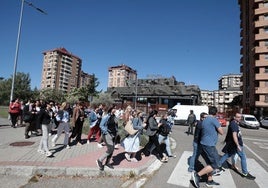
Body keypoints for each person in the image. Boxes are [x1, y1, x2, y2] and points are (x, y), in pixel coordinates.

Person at [192, 106, 224, 188]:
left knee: (210, 163)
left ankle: (210, 180)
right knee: (216, 164)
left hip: (203, 144)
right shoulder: (214, 120)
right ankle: (197, 175)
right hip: (209, 145)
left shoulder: (204, 120)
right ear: (216, 113)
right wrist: (218, 125)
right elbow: (222, 132)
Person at [219, 113, 256, 180]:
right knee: (243, 157)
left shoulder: (234, 123)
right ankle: (245, 173)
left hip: (233, 145)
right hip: (235, 145)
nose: (240, 118)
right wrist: (238, 145)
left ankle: (217, 166)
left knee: (227, 155)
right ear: (234, 117)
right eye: (238, 117)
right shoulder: (234, 124)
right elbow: (234, 135)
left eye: (241, 117)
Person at [96, 105, 119, 171]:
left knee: (112, 150)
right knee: (110, 149)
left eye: (115, 108)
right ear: (110, 109)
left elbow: (115, 125)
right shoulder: (106, 116)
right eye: (114, 108)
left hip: (113, 135)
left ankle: (107, 163)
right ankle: (99, 160)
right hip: (107, 135)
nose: (115, 109)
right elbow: (101, 125)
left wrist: (116, 132)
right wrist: (106, 132)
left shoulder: (114, 116)